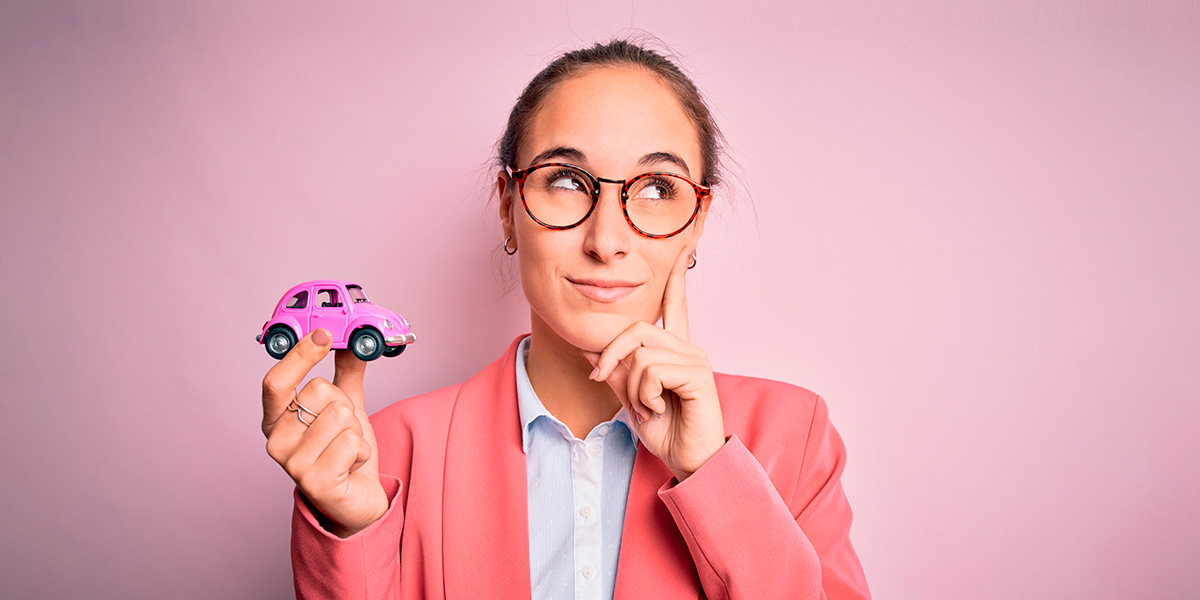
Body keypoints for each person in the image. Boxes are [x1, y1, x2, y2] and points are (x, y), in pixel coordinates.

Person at [261, 38, 871, 600]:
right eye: (566, 181)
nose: (607, 241)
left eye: (658, 187)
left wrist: (711, 474)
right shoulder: (386, 452)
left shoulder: (795, 436)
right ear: (508, 208)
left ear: (697, 221)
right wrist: (353, 531)